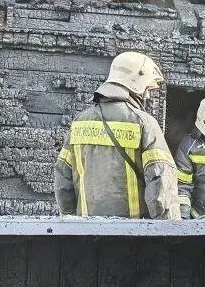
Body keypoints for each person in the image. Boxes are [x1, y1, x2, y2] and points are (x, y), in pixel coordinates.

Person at [54, 52, 180, 219]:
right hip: (132, 236)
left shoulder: (79, 122)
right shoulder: (144, 123)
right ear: (137, 81)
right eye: (147, 89)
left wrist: (71, 220)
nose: (147, 95)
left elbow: (63, 180)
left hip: (86, 234)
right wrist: (169, 232)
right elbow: (161, 181)